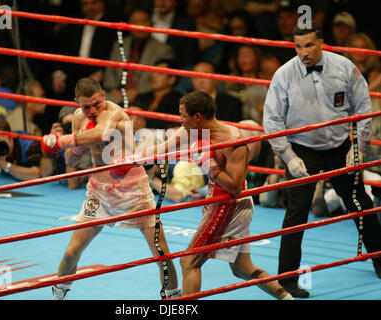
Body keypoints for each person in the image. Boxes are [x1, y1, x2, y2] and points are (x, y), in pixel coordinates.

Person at [263, 21, 381, 298]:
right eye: (298, 46)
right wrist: (288, 157)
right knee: (296, 212)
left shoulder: (344, 68)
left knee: (360, 203)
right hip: (302, 150)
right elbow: (272, 121)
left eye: (309, 45)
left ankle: (379, 257)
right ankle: (288, 277)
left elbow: (363, 106)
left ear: (321, 43)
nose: (303, 52)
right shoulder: (284, 75)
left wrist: (358, 149)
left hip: (341, 148)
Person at [140, 90, 292, 299]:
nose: (180, 120)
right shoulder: (193, 130)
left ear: (198, 116)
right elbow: (162, 149)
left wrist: (207, 163)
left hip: (229, 203)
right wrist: (132, 157)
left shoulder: (233, 143)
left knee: (189, 261)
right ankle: (286, 297)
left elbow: (235, 187)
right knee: (242, 268)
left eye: (183, 115)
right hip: (218, 200)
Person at [40, 77, 180, 300]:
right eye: (87, 106)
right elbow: (72, 162)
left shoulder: (113, 112)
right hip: (99, 190)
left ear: (103, 96)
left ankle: (174, 299)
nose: (93, 110)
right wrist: (75, 149)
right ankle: (59, 296)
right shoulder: (78, 118)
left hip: (132, 188)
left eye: (97, 103)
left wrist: (61, 141)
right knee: (71, 252)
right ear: (76, 103)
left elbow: (103, 133)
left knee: (160, 253)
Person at [103, 7, 174, 105]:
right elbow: (110, 70)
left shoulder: (163, 49)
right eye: (135, 22)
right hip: (115, 95)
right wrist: (113, 89)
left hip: (144, 96)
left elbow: (162, 80)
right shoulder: (120, 44)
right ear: (128, 24)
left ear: (151, 23)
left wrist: (138, 92)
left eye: (143, 21)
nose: (139, 26)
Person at [39, 106, 92, 189]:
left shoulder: (87, 139)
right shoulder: (59, 138)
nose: (70, 129)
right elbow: (45, 174)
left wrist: (72, 141)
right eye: (67, 126)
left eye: (73, 125)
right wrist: (51, 143)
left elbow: (73, 184)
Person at [134, 59, 182, 129]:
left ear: (171, 79)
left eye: (160, 73)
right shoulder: (142, 97)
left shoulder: (179, 101)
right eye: (153, 72)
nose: (154, 76)